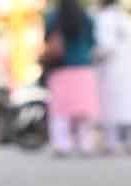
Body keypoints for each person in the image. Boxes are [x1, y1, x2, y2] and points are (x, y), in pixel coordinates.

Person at [94, 0, 131, 153]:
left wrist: (92, 55)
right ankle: (130, 141)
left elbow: (106, 46)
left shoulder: (104, 18)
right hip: (129, 68)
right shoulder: (124, 17)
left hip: (112, 69)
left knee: (111, 105)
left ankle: (112, 143)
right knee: (128, 104)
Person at [43, 0, 99, 156]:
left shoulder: (53, 16)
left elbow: (47, 38)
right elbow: (93, 40)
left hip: (61, 67)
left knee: (60, 111)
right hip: (83, 66)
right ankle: (85, 144)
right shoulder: (86, 16)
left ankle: (62, 145)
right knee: (84, 110)